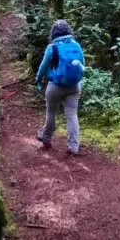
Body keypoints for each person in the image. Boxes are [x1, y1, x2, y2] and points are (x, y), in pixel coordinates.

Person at [35, 20, 86, 156]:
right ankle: (73, 147)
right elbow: (82, 64)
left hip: (56, 86)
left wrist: (38, 79)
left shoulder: (52, 47)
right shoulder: (76, 45)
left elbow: (43, 67)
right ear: (69, 30)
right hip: (74, 86)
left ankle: (46, 138)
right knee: (72, 114)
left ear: (54, 33)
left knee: (51, 113)